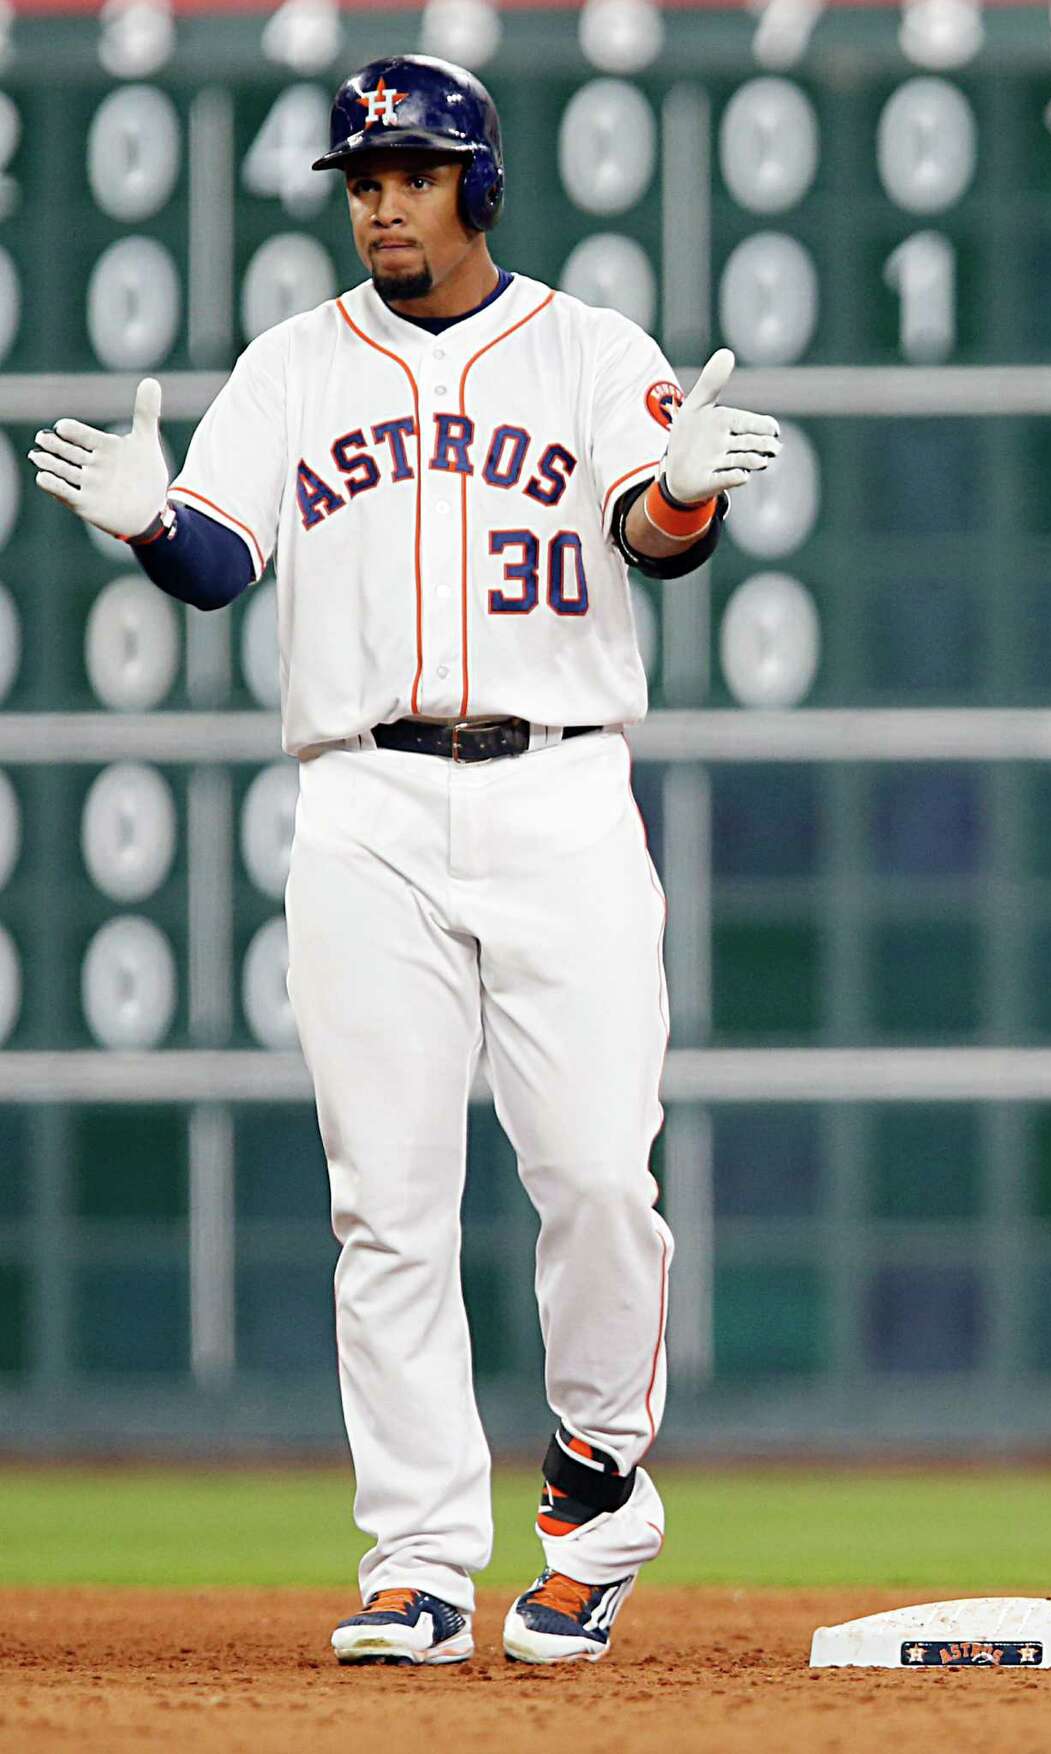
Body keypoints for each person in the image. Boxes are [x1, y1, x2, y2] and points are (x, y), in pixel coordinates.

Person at [28, 54, 780, 1667]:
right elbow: (222, 556)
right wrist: (155, 523)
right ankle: (421, 1556)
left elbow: (653, 521)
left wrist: (692, 496)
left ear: (476, 186)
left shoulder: (585, 349)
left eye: (411, 174)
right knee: (389, 1206)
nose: (379, 200)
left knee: (592, 1168)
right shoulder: (298, 364)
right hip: (364, 800)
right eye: (362, 178)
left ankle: (598, 1487)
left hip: (559, 790)